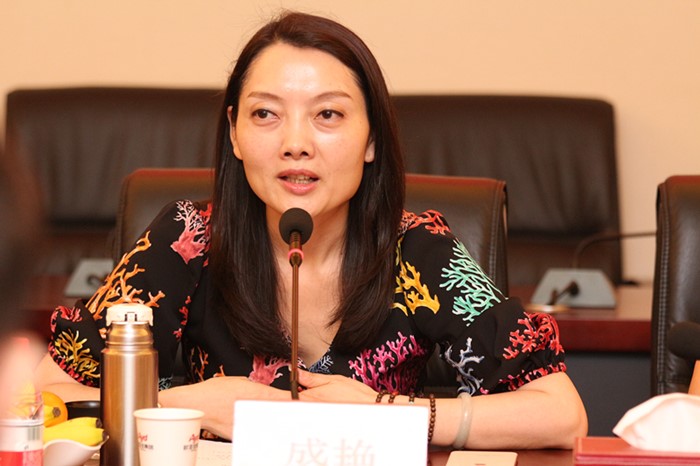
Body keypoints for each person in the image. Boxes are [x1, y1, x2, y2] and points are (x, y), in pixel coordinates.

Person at [34, 11, 587, 449]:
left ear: (372, 140)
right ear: (234, 134)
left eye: (328, 115)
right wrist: (191, 406)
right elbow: (45, 397)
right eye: (265, 114)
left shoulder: (418, 250)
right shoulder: (188, 240)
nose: (295, 143)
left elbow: (562, 414)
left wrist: (385, 413)